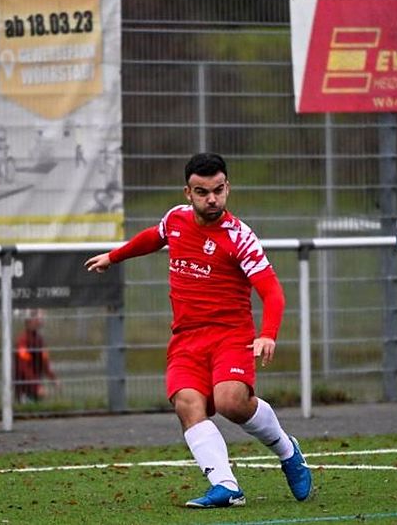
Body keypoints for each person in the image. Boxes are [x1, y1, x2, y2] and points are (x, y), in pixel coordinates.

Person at [84, 152, 312, 508]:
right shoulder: (176, 218)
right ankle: (226, 486)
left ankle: (287, 450)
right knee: (187, 403)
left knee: (230, 401)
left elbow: (272, 291)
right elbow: (154, 237)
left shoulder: (240, 237)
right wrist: (114, 256)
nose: (212, 199)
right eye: (202, 192)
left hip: (231, 335)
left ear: (227, 188)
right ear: (188, 193)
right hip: (187, 337)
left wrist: (268, 333)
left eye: (218, 190)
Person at [13, 309, 59, 403]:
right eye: (37, 317)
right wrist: (36, 387)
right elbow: (23, 367)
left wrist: (53, 378)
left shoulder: (39, 340)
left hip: (36, 386)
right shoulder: (22, 341)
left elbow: (44, 362)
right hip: (24, 388)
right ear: (29, 321)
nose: (41, 320)